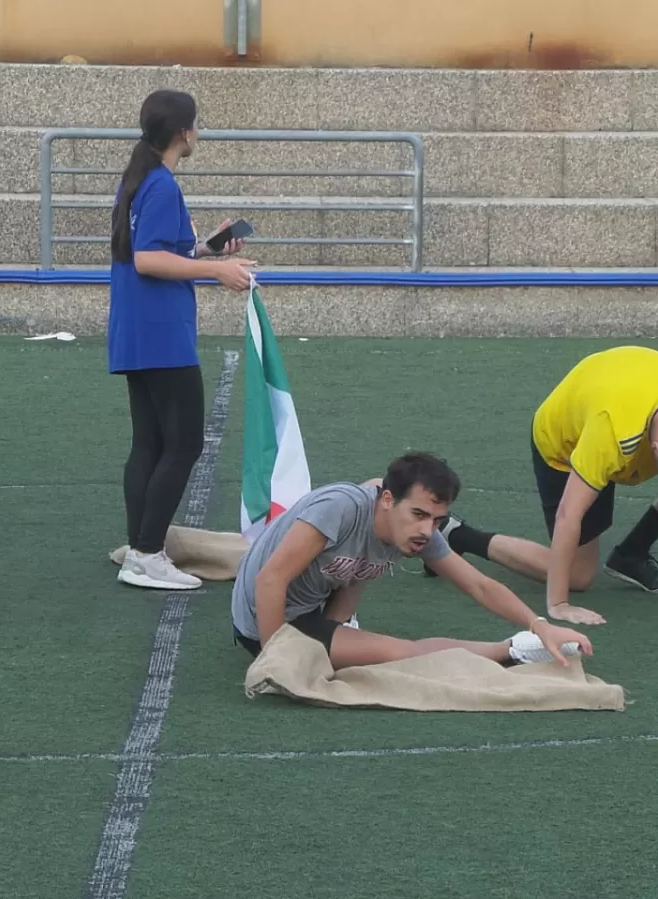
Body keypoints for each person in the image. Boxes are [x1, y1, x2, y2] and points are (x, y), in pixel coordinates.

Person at [426, 346, 658, 624]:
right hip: (565, 439)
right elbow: (568, 516)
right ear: (656, 451)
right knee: (578, 576)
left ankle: (630, 555)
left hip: (623, 398)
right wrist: (558, 603)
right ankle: (457, 534)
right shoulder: (611, 435)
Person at [230, 452, 595, 670]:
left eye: (436, 520)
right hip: (265, 617)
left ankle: (340, 630)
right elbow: (269, 580)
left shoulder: (408, 526)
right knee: (402, 653)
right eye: (419, 514)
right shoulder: (338, 508)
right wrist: (273, 657)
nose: (427, 529)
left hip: (315, 602)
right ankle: (510, 651)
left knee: (363, 571)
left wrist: (539, 624)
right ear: (387, 499)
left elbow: (479, 584)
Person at [109, 89, 257, 591]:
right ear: (182, 133)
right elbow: (148, 260)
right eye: (198, 124)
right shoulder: (161, 185)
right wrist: (216, 269)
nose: (201, 132)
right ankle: (148, 553)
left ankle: (139, 547)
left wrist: (208, 248)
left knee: (150, 442)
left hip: (138, 333)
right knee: (184, 443)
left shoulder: (138, 181)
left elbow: (163, 250)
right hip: (161, 335)